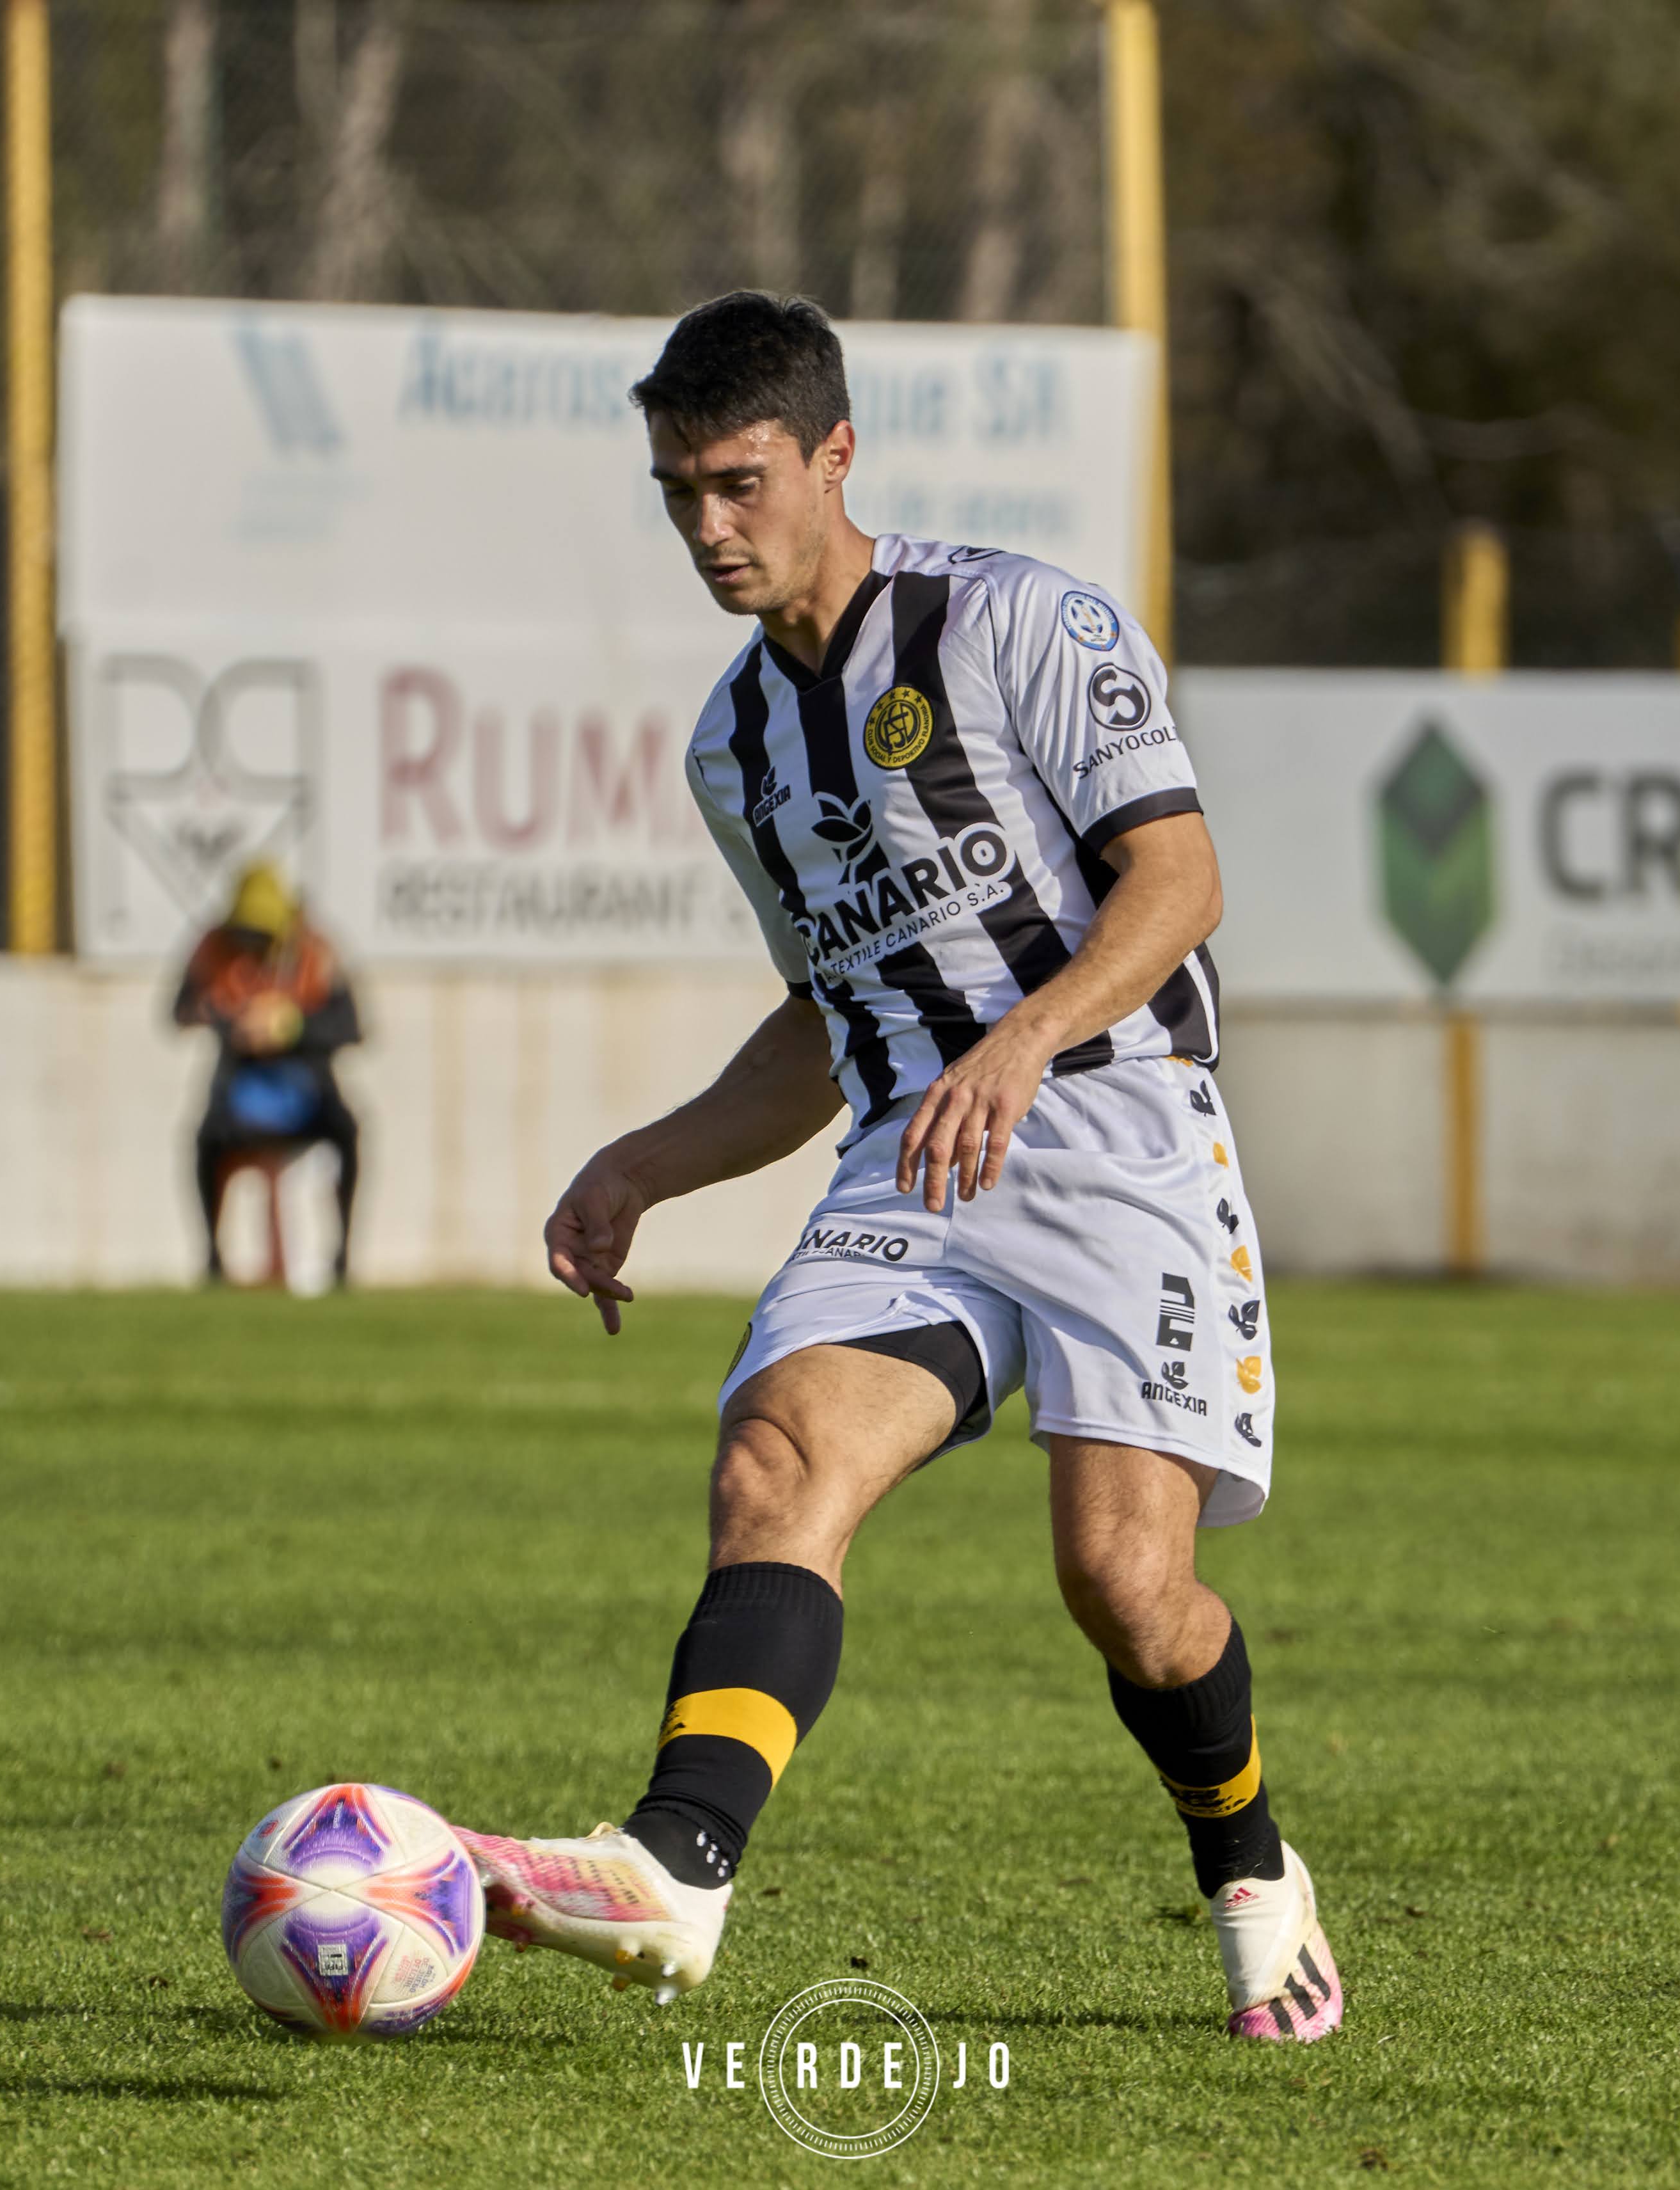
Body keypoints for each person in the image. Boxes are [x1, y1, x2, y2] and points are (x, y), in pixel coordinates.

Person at [455, 294, 1337, 2043]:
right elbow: (823, 1015)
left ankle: (1249, 1861)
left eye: (740, 482)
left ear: (834, 457)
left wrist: (1018, 1040)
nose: (710, 528)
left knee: (1124, 1586)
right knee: (776, 1449)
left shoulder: (1020, 622)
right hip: (912, 1161)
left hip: (1118, 1132)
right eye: (678, 493)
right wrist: (643, 1159)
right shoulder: (737, 743)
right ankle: (676, 1867)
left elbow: (1178, 884)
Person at [170, 860, 361, 1287]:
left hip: (306, 1087)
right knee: (205, 1140)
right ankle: (213, 1261)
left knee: (347, 1131)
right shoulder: (212, 948)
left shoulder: (314, 949)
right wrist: (231, 1020)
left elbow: (351, 1027)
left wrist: (289, 1025)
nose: (251, 944)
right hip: (241, 1088)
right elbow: (178, 1011)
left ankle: (341, 1258)